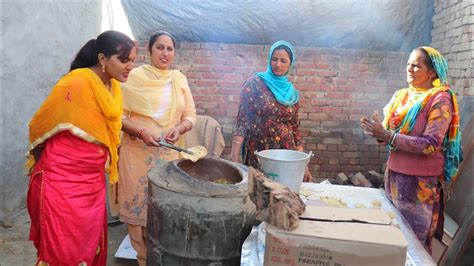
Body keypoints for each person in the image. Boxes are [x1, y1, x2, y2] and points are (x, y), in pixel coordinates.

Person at [26, 30, 136, 265]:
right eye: (123, 60)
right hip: (61, 181)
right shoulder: (77, 82)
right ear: (103, 59)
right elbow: (40, 123)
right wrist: (42, 164)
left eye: (133, 61)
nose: (130, 66)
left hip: (93, 183)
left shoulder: (112, 88)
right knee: (63, 252)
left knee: (88, 249)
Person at [360, 46, 463, 253]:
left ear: (432, 72)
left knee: (414, 244)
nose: (410, 68)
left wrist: (388, 135)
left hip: (420, 184)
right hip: (395, 176)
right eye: (408, 64)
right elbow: (390, 136)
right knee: (393, 239)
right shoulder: (401, 96)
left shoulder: (440, 99)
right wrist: (379, 130)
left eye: (416, 65)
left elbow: (430, 143)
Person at [117, 30, 196, 265]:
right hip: (136, 153)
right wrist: (140, 131)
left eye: (169, 48)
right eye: (159, 47)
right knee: (137, 211)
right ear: (149, 50)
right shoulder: (133, 77)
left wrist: (180, 128)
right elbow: (117, 114)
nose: (165, 53)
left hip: (168, 155)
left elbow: (191, 114)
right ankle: (143, 259)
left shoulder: (179, 79)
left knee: (164, 210)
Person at [229, 40, 312, 182]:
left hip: (286, 154)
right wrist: (234, 155)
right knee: (259, 192)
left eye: (283, 61)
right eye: (274, 59)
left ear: (290, 64)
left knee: (284, 192)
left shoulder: (292, 93)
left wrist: (303, 165)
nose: (278, 64)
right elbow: (242, 121)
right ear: (269, 60)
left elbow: (295, 130)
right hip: (260, 153)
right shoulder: (254, 84)